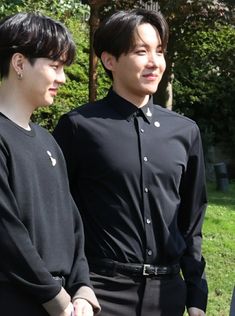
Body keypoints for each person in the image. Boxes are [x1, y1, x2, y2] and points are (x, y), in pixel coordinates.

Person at [53, 8, 208, 316]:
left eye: (160, 51)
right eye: (141, 51)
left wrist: (195, 295)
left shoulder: (186, 131)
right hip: (99, 294)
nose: (155, 62)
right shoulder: (78, 127)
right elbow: (57, 216)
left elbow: (192, 220)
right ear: (110, 60)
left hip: (168, 296)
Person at [0, 12, 101, 316]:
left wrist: (83, 288)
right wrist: (54, 297)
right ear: (19, 63)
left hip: (65, 302)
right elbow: (7, 233)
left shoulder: (48, 141)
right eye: (55, 67)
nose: (62, 78)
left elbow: (72, 223)